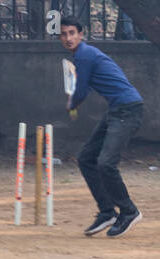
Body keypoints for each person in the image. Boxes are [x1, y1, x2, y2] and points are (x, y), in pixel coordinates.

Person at [60, 18, 145, 238]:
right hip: (116, 110)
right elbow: (84, 88)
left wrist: (72, 104)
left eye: (72, 33)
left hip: (129, 110)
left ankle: (129, 211)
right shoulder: (82, 56)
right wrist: (75, 100)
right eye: (64, 34)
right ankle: (107, 211)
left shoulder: (85, 55)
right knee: (86, 158)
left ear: (81, 34)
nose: (68, 38)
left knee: (106, 163)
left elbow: (80, 92)